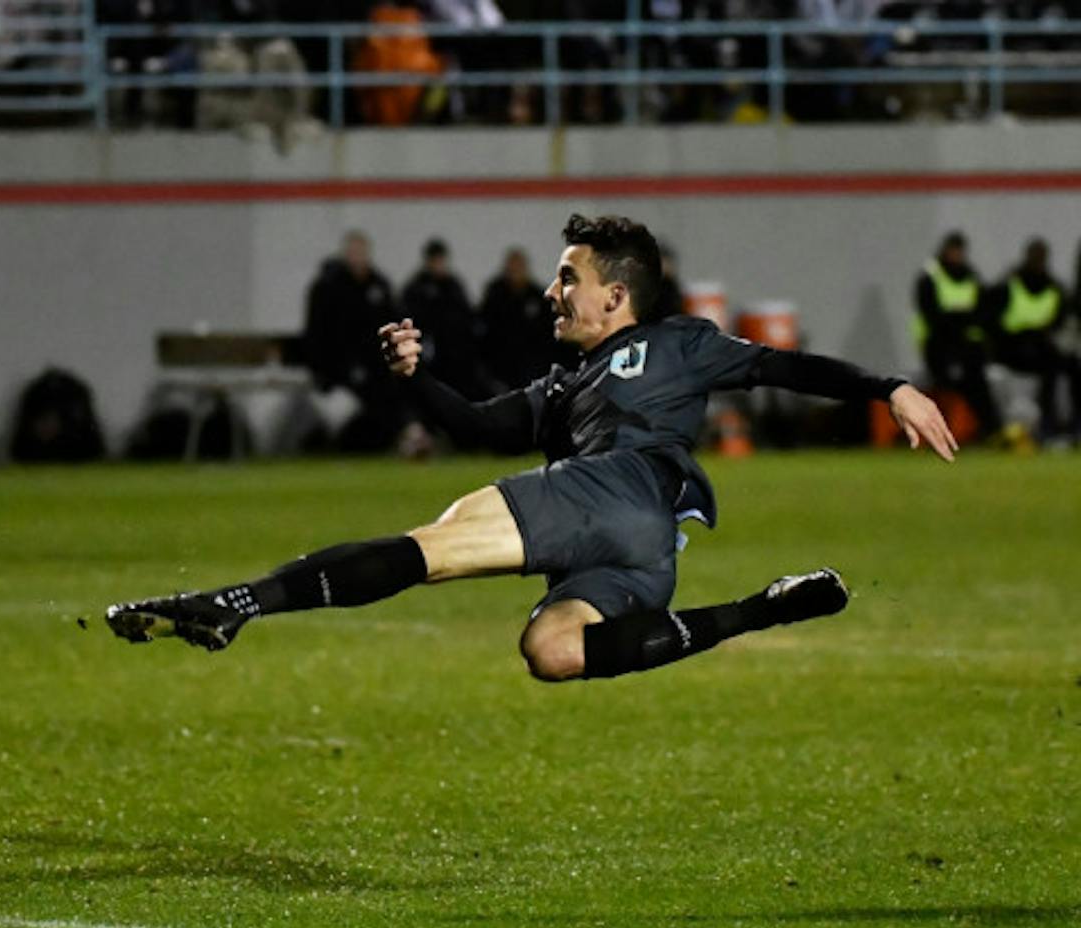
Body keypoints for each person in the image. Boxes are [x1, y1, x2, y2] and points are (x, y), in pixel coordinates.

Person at [104, 214, 957, 684]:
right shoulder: (562, 389)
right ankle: (762, 610)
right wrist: (415, 376)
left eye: (568, 278)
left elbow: (783, 365)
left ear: (616, 295)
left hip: (617, 489)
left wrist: (890, 387)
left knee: (430, 548)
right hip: (645, 550)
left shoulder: (678, 341)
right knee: (553, 651)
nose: (555, 291)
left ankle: (236, 604)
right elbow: (474, 425)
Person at [302, 230, 412, 451]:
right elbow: (319, 333)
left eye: (360, 253)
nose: (357, 258)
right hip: (338, 370)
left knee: (393, 394)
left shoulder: (379, 285)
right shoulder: (328, 288)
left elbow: (392, 325)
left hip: (375, 367)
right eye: (353, 253)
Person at [985, 238, 1080, 444]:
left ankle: (1062, 424)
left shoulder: (1054, 288)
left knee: (1066, 364)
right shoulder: (1009, 285)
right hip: (1011, 348)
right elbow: (991, 320)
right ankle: (1000, 428)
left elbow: (1059, 322)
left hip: (1040, 348)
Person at [911, 231, 1000, 441]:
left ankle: (988, 429)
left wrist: (959, 319)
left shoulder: (971, 276)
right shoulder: (930, 278)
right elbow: (931, 314)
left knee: (976, 379)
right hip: (937, 344)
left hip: (965, 344)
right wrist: (960, 318)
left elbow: (982, 311)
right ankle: (944, 430)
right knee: (950, 381)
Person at [401, 237, 490, 400]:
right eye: (435, 260)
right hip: (431, 356)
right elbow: (410, 320)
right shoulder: (416, 288)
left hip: (456, 357)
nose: (438, 264)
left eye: (441, 260)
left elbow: (466, 314)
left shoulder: (453, 285)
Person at [478, 245, 568, 391]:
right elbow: (486, 330)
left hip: (532, 366)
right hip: (500, 366)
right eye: (512, 267)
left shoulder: (537, 296)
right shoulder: (495, 294)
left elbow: (548, 332)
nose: (515, 272)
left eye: (519, 267)